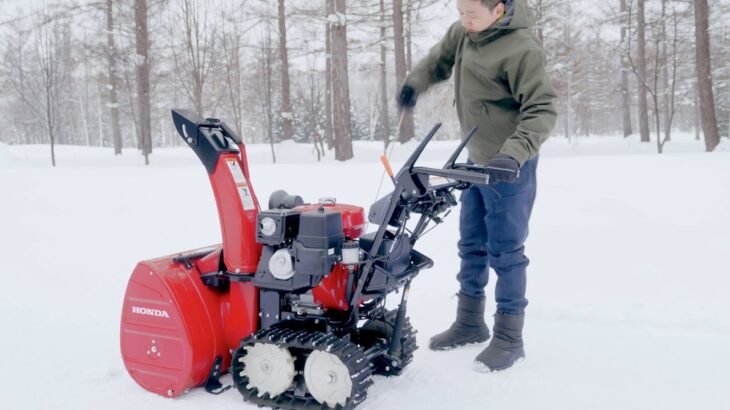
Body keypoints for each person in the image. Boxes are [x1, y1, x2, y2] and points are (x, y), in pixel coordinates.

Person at [397, 0, 557, 371]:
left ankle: (509, 337)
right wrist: (413, 85)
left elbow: (543, 108)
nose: (464, 20)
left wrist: (513, 154)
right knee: (471, 242)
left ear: (498, 10)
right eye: (460, 12)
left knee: (506, 248)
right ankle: (470, 322)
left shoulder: (522, 49)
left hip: (510, 165)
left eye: (472, 13)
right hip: (477, 157)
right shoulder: (464, 33)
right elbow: (439, 59)